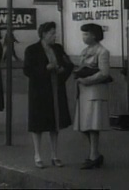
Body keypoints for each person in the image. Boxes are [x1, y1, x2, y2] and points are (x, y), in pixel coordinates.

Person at [23, 22, 74, 169]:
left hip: (55, 89)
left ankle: (54, 154)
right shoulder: (32, 50)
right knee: (37, 124)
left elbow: (68, 64)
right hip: (39, 91)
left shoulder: (58, 48)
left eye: (55, 33)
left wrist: (62, 71)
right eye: (51, 33)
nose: (54, 36)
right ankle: (37, 155)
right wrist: (45, 69)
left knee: (55, 123)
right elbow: (27, 70)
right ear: (43, 34)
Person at [74, 23, 111, 170]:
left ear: (94, 35)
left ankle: (94, 155)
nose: (84, 37)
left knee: (92, 125)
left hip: (95, 91)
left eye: (87, 34)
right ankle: (94, 153)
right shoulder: (85, 51)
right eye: (83, 34)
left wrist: (86, 79)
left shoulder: (102, 51)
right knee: (84, 125)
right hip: (84, 92)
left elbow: (104, 73)